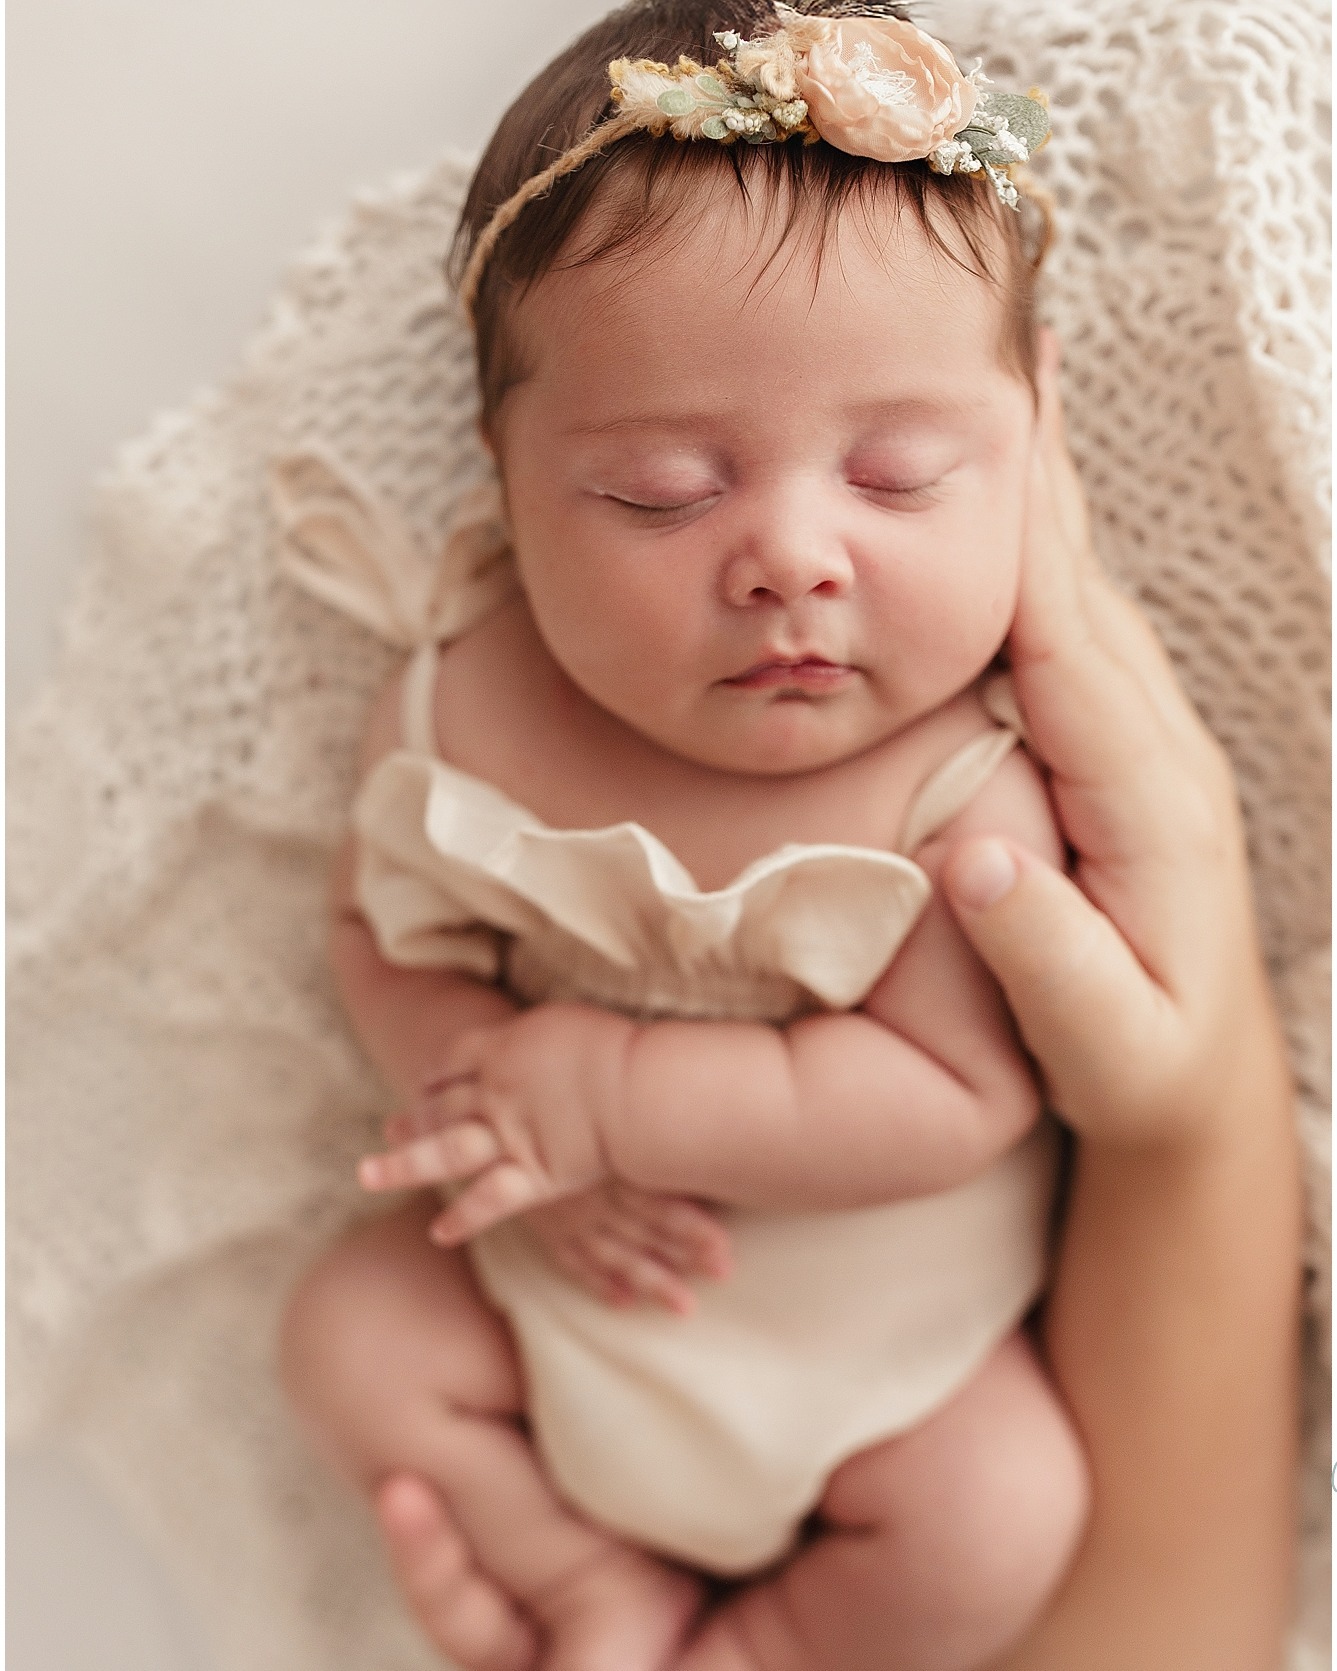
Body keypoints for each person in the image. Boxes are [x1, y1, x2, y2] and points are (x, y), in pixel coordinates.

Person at [277, 5, 1302, 1668]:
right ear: (506, 475)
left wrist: (602, 1095)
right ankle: (585, 1582)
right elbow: (375, 939)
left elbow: (949, 1098)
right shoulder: (459, 710)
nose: (790, 560)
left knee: (1002, 1510)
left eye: (898, 476)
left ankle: (763, 1649)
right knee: (349, 1333)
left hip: (889, 1379)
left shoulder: (971, 788)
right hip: (559, 1287)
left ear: (1031, 444)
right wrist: (492, 1118)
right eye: (663, 492)